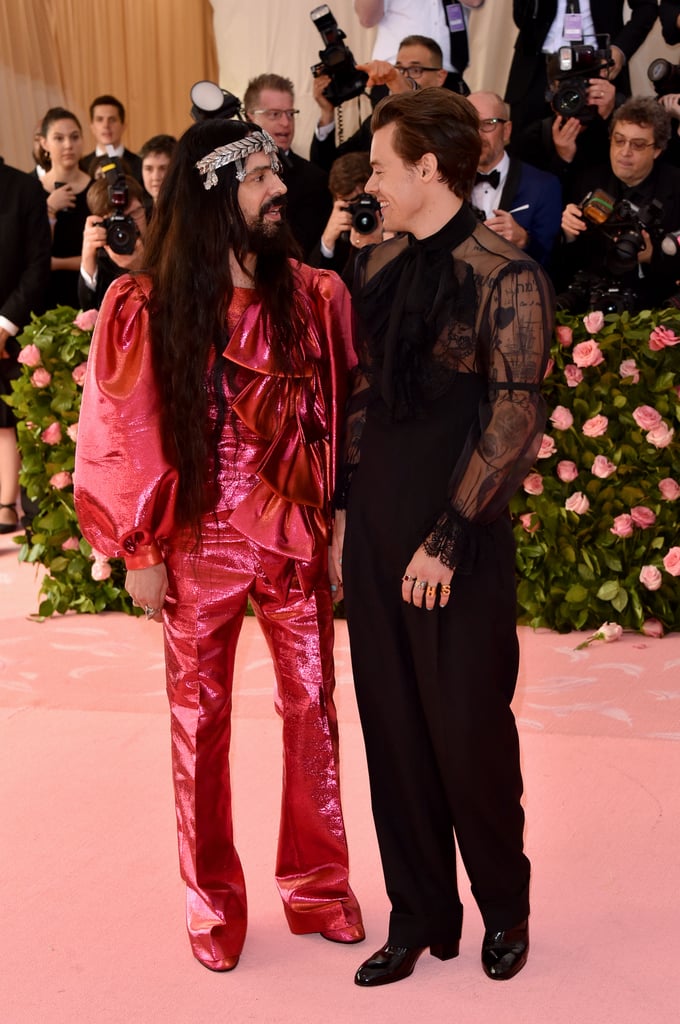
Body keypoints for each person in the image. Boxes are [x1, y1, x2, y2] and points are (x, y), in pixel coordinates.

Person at [74, 118, 364, 971]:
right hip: (196, 542)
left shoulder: (316, 296)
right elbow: (125, 425)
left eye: (277, 174)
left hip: (296, 537)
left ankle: (318, 887)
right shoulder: (148, 303)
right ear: (215, 196)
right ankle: (212, 906)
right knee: (198, 727)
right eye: (259, 179)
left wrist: (340, 521)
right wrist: (140, 547)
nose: (280, 191)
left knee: (313, 711)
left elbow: (347, 418)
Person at [331, 88, 554, 986]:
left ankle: (505, 908)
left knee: (468, 733)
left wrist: (451, 535)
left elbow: (514, 419)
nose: (371, 179)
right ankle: (419, 912)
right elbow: (361, 400)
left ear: (429, 170)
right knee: (391, 732)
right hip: (379, 528)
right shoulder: (379, 263)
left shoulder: (507, 274)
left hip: (454, 536)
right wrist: (348, 515)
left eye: (384, 165)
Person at [557, 95, 680, 310]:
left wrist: (653, 257)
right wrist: (568, 234)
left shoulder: (677, 187)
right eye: (619, 140)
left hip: (654, 312)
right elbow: (568, 264)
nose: (625, 152)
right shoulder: (587, 180)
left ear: (657, 150)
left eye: (638, 145)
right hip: (592, 307)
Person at [505, 0, 659, 139]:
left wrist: (620, 49)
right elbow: (521, 17)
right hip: (536, 71)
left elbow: (646, 7)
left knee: (595, 159)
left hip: (599, 67)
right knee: (528, 156)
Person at [0, 158, 51, 533]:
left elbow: (37, 265)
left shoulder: (23, 187)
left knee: (12, 418)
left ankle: (8, 505)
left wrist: (2, 326)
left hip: (13, 328)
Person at [311, 35, 448, 173]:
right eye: (399, 69)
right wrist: (327, 113)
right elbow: (327, 168)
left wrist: (401, 86)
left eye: (415, 70)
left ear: (440, 76)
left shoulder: (452, 119)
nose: (405, 76)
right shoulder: (377, 123)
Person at [467, 91, 563, 267]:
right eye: (469, 124)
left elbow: (553, 261)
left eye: (488, 124)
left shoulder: (543, 186)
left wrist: (524, 241)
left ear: (506, 131)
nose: (477, 135)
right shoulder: (447, 183)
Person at [243, 74, 332, 259]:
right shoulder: (230, 173)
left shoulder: (314, 180)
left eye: (290, 114)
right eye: (275, 114)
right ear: (249, 117)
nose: (286, 123)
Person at [354, 0, 486, 93]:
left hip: (447, 74)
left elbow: (474, 1)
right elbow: (367, 18)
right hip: (395, 74)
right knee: (398, 130)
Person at [38, 107, 92, 309]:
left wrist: (55, 263)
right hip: (43, 294)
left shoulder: (96, 190)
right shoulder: (30, 189)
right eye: (59, 138)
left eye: (74, 137)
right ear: (44, 143)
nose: (68, 145)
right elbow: (33, 254)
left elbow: (104, 253)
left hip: (85, 291)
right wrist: (49, 209)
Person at [309, 152, 386, 284]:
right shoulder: (338, 228)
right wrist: (327, 241)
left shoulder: (396, 224)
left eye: (362, 200)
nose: (361, 210)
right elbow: (316, 289)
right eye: (350, 204)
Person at [78, 173, 148, 310]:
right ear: (102, 222)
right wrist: (87, 258)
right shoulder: (103, 256)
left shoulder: (167, 247)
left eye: (134, 213)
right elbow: (90, 311)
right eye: (118, 220)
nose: (129, 224)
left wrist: (142, 267)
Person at [82, 94, 143, 183]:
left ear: (123, 126)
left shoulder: (140, 165)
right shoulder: (82, 166)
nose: (106, 125)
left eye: (112, 120)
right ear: (92, 127)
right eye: (100, 119)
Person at [139, 134, 177, 204]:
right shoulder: (141, 211)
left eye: (163, 168)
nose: (155, 177)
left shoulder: (189, 211)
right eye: (148, 169)